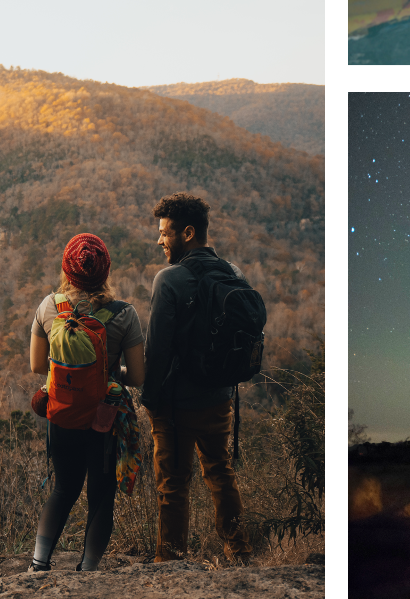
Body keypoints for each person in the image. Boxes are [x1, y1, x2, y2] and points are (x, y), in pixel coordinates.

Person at [140, 192, 254, 565]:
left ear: (187, 233)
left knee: (173, 486)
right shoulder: (233, 271)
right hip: (221, 398)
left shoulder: (169, 280)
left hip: (176, 407)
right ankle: (239, 553)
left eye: (164, 233)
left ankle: (170, 562)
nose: (159, 240)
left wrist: (150, 401)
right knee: (221, 474)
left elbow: (156, 353)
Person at [27, 233, 145, 572]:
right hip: (103, 421)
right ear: (105, 270)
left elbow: (38, 366)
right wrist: (111, 370)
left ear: (66, 269)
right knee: (100, 497)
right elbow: (136, 377)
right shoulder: (125, 315)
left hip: (61, 415)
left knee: (63, 489)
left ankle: (38, 563)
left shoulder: (49, 307)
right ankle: (88, 570)